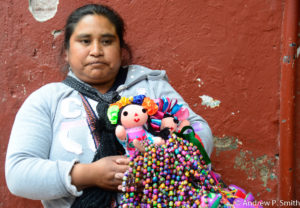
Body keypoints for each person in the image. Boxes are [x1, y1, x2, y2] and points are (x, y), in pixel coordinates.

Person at [5, 3, 213, 208]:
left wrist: (157, 164)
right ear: (66, 51)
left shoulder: (151, 86)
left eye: (106, 41)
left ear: (121, 50)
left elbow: (199, 130)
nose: (96, 51)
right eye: (85, 41)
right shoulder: (47, 100)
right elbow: (18, 173)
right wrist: (90, 174)